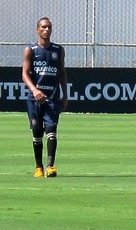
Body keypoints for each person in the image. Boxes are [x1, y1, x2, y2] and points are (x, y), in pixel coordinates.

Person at [22, 17, 68, 178]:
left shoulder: (58, 50)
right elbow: (24, 74)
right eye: (43, 27)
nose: (46, 29)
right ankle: (38, 167)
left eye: (49, 27)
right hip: (34, 98)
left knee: (51, 131)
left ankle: (50, 166)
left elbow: (62, 73)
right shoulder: (31, 50)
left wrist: (65, 96)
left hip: (52, 97)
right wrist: (34, 90)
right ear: (37, 30)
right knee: (36, 131)